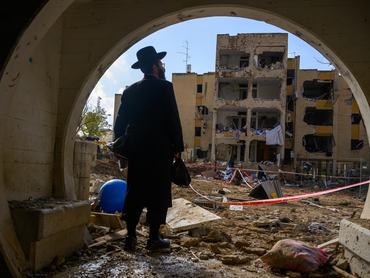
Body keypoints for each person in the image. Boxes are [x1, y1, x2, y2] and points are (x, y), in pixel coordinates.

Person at [114, 46, 184, 252]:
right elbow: (173, 119)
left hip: (136, 150)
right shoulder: (165, 87)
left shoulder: (129, 91)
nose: (162, 66)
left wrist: (120, 144)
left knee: (134, 192)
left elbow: (120, 123)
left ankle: (130, 238)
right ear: (154, 66)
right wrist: (178, 146)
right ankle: (154, 239)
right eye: (160, 63)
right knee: (158, 194)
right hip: (160, 150)